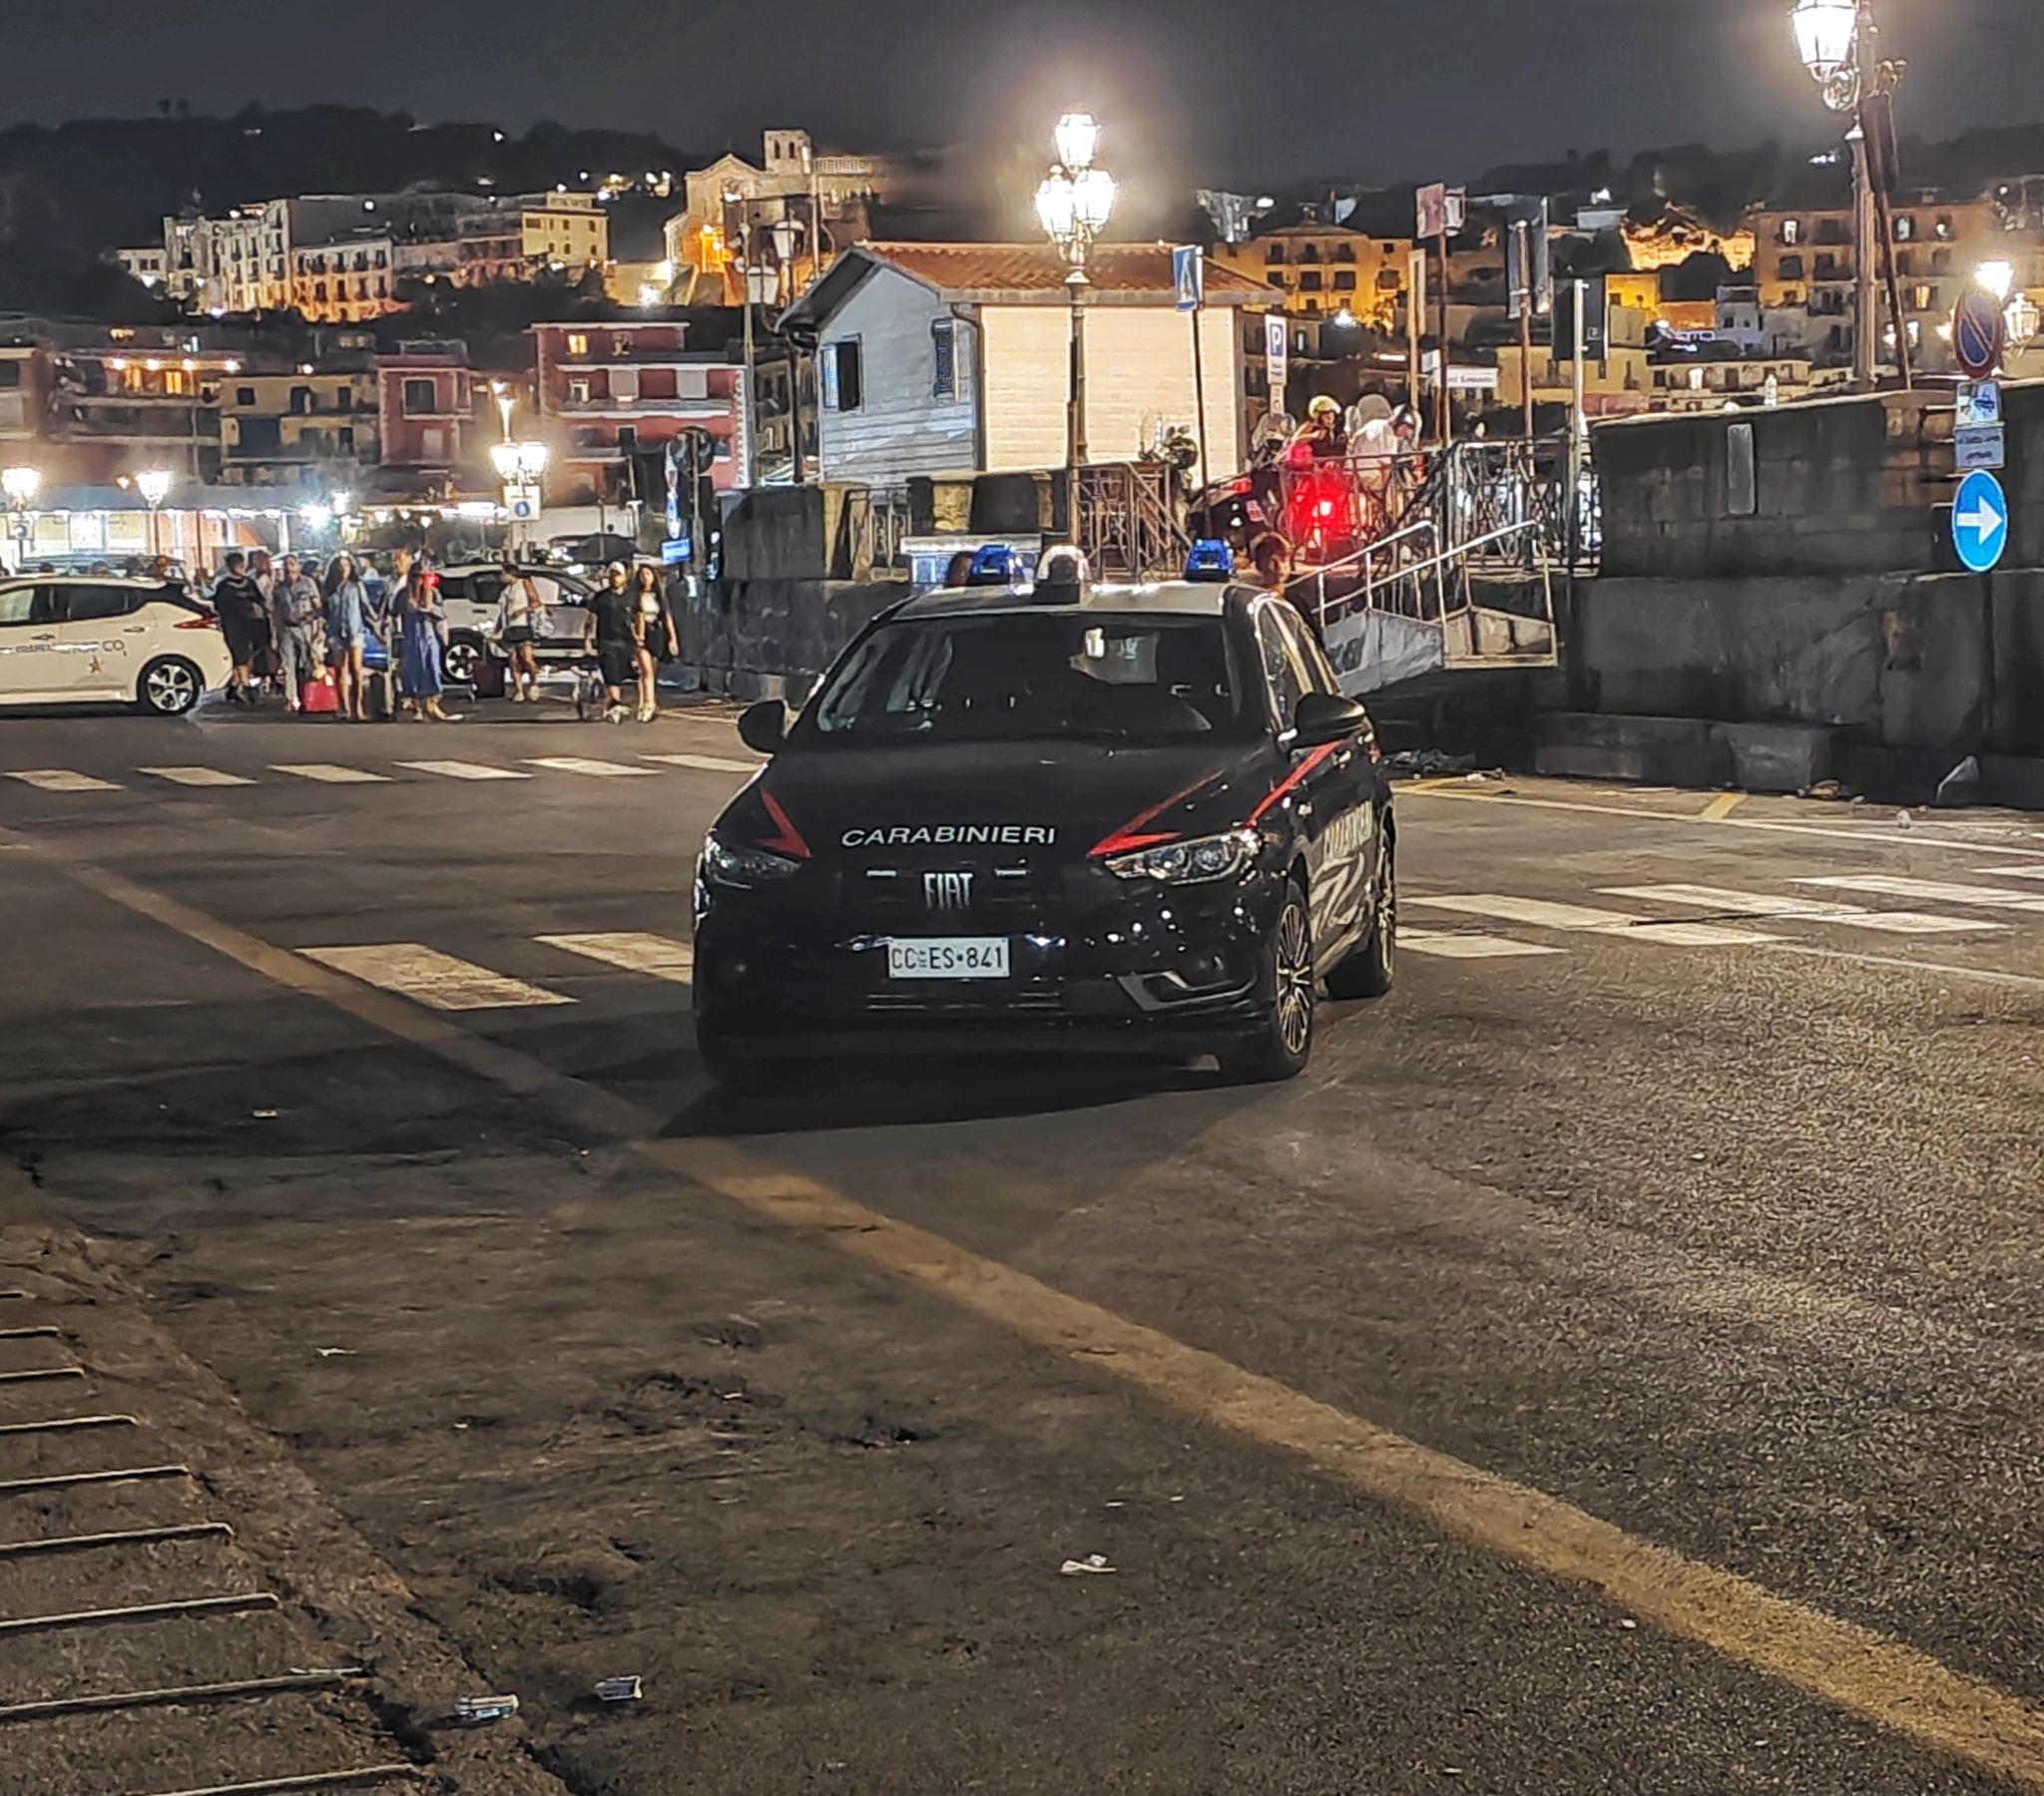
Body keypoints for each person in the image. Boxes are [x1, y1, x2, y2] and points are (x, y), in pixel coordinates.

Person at [210, 552, 271, 705]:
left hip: (249, 624)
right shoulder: (225, 585)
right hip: (232, 625)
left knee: (247, 656)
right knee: (239, 656)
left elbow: (261, 601)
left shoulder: (247, 583)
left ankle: (234, 686)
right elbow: (216, 605)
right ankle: (244, 686)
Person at [583, 562, 640, 724]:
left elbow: (638, 618)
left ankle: (612, 702)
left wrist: (639, 637)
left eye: (618, 575)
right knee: (611, 672)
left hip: (627, 641)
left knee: (622, 674)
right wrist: (587, 640)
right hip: (606, 641)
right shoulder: (601, 597)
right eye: (612, 575)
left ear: (624, 577)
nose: (615, 578)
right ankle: (616, 703)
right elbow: (591, 619)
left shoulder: (632, 597)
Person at [397, 569, 457, 721]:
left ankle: (432, 704)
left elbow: (441, 614)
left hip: (429, 637)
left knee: (431, 669)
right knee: (413, 672)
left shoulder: (433, 593)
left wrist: (429, 609)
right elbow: (394, 612)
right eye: (416, 576)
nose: (419, 580)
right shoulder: (404, 595)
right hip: (411, 638)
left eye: (422, 576)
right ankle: (417, 707)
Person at [322, 553, 372, 721]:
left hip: (355, 631)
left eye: (346, 566)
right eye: (340, 566)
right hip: (336, 633)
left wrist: (377, 623)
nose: (343, 569)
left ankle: (357, 707)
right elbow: (324, 610)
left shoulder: (356, 586)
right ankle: (343, 708)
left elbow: (366, 607)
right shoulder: (329, 588)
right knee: (340, 671)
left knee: (356, 670)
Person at [272, 554, 325, 713]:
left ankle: (305, 697)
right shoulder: (279, 589)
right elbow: (276, 612)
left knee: (305, 664)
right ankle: (291, 698)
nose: (289, 568)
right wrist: (274, 634)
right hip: (286, 629)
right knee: (288, 665)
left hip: (305, 628)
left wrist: (316, 626)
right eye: (286, 565)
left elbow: (318, 606)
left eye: (292, 564)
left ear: (298, 566)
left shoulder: (308, 583)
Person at [630, 564, 678, 723]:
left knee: (652, 672)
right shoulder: (635, 596)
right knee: (645, 672)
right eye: (642, 575)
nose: (645, 578)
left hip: (656, 634)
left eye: (648, 574)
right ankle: (646, 705)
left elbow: (666, 617)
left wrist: (672, 638)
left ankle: (649, 703)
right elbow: (634, 617)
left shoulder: (658, 596)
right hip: (641, 634)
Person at [497, 553, 546, 702]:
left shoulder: (524, 584)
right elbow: (502, 613)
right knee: (513, 661)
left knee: (526, 658)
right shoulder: (505, 591)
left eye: (503, 573)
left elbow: (537, 603)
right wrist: (496, 631)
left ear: (511, 574)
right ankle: (519, 690)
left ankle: (534, 683)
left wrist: (522, 610)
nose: (501, 577)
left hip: (524, 626)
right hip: (510, 628)